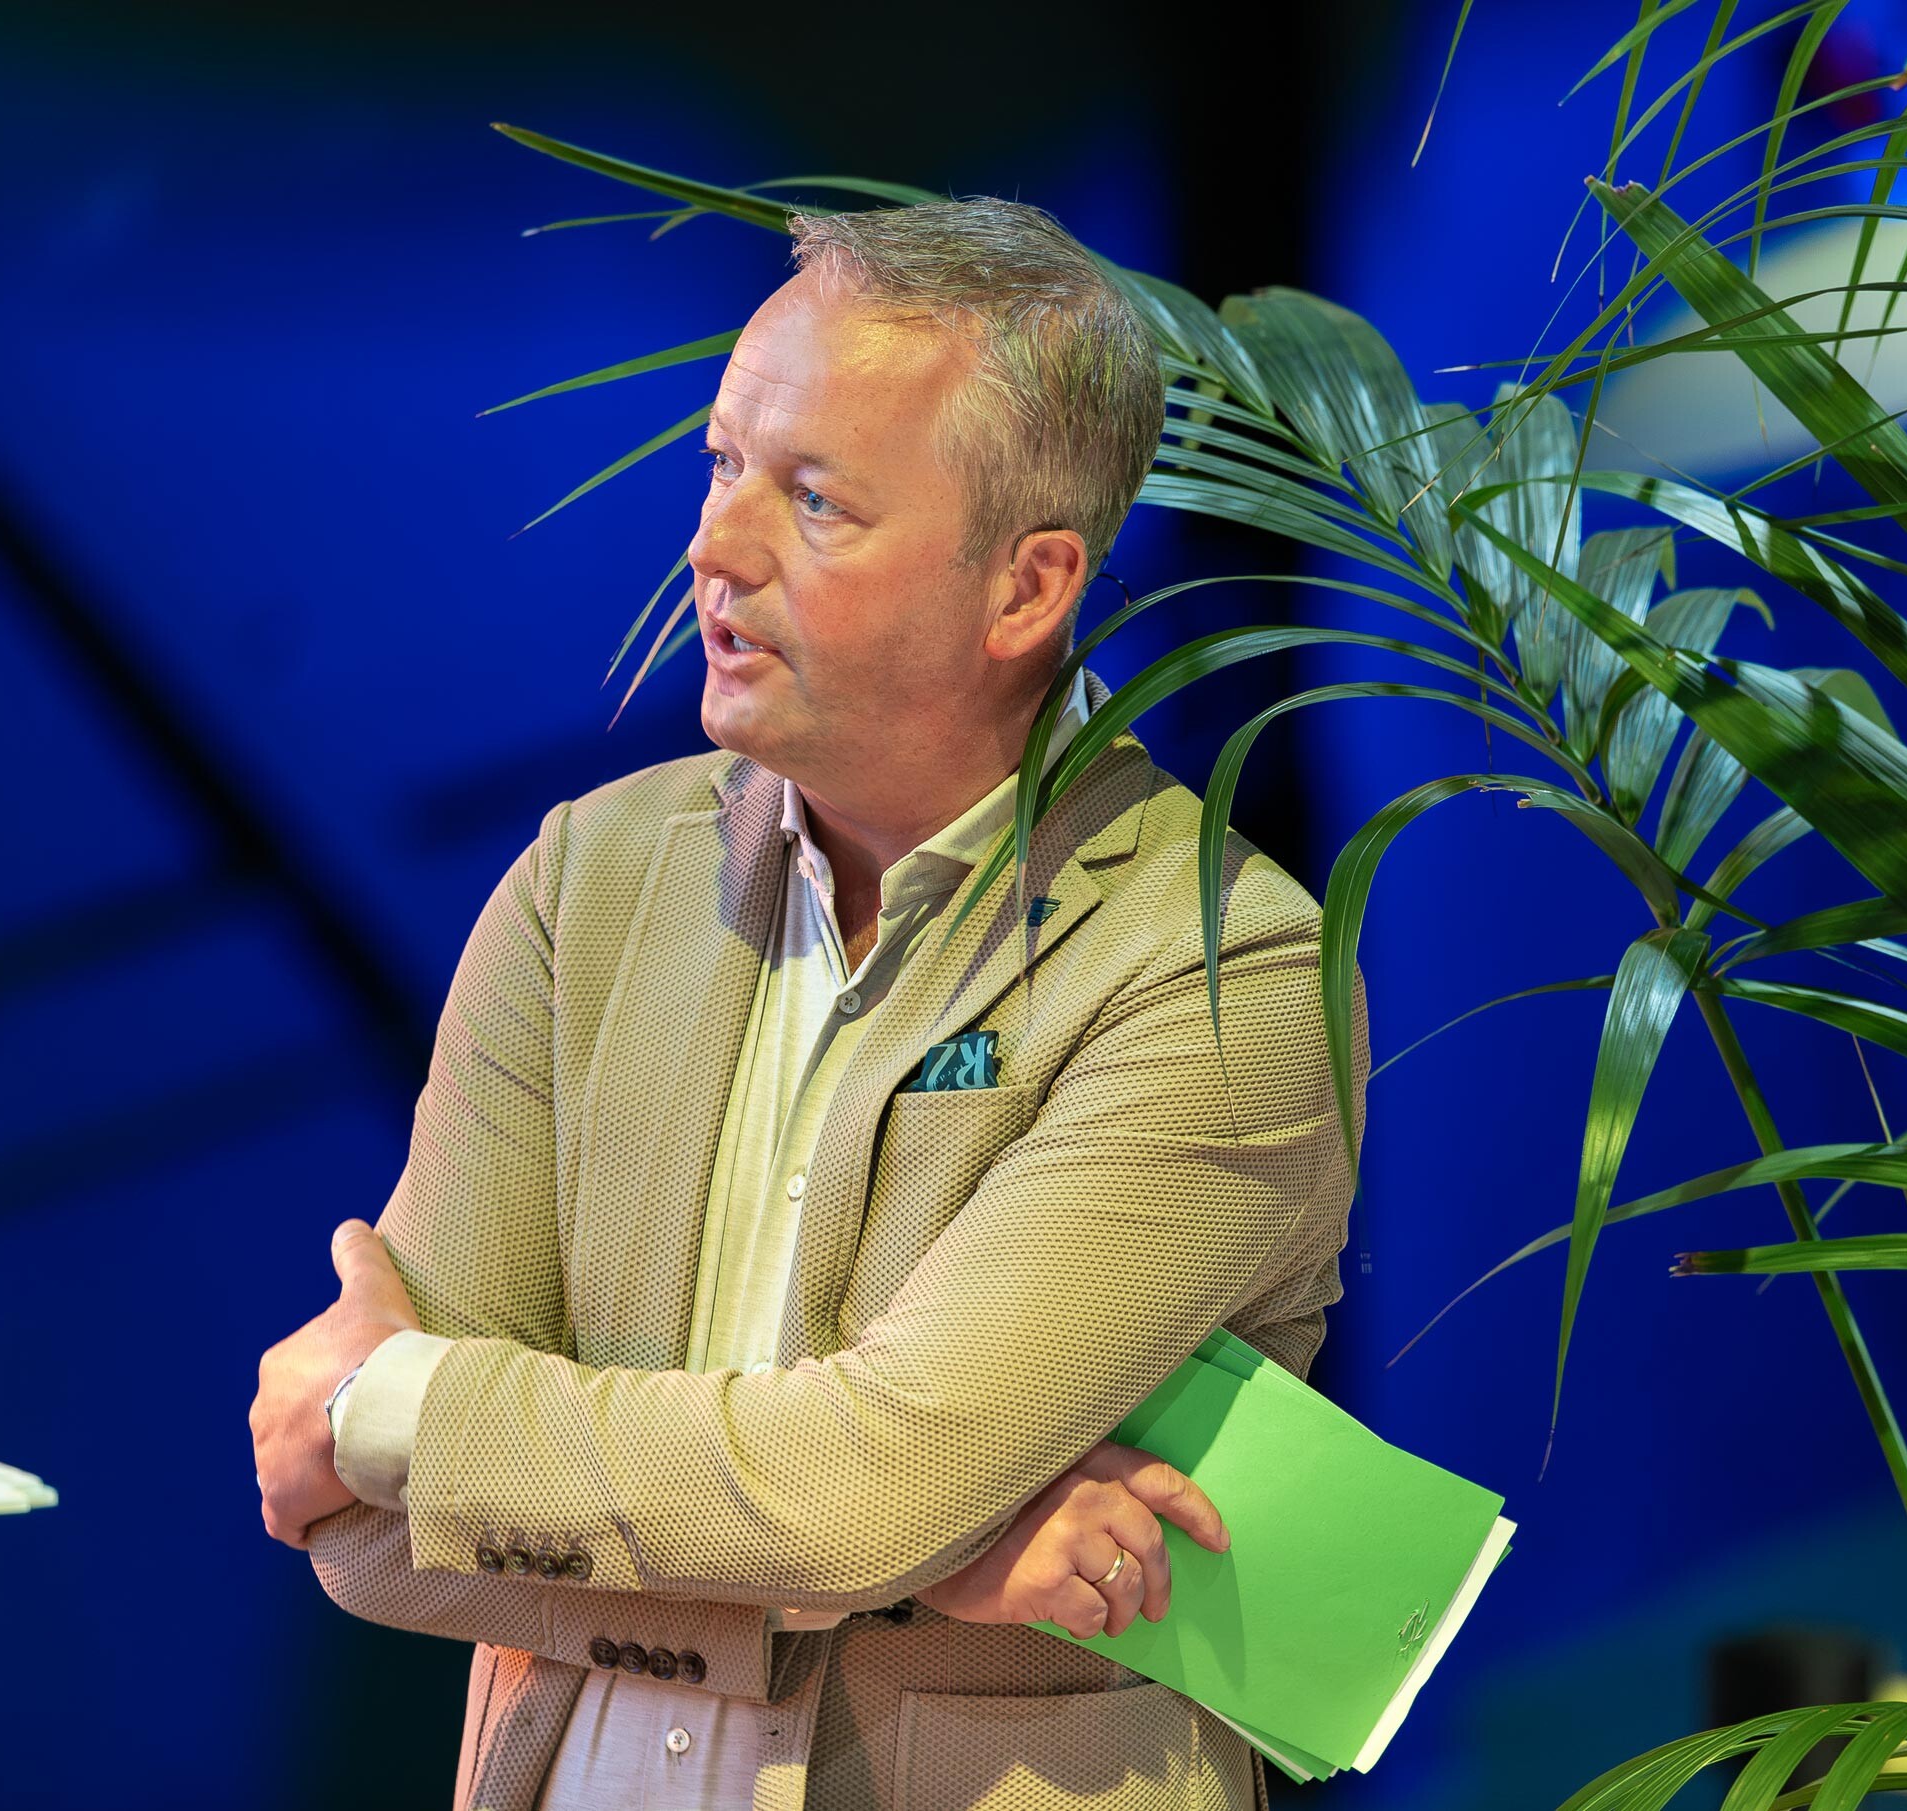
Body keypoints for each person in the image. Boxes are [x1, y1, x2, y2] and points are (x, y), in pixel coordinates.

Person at [248, 194, 1363, 1811]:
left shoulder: (1211, 969)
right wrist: (923, 1566)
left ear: (1025, 588)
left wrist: (395, 1404)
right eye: (722, 467)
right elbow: (362, 1534)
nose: (715, 547)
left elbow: (857, 1492)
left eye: (816, 499)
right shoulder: (584, 886)